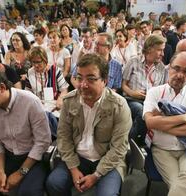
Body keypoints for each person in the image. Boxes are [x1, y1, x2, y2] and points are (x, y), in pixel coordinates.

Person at [46, 53, 132, 196]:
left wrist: (96, 175)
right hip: (77, 156)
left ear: (105, 80)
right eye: (79, 78)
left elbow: (119, 148)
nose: (83, 85)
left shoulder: (119, 106)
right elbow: (63, 137)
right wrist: (73, 168)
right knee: (54, 184)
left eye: (91, 79)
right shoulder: (69, 101)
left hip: (107, 159)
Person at [0, 63, 52, 196]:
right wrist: (0, 172)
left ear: (2, 87)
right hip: (8, 156)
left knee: (28, 193)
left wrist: (20, 173)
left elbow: (42, 142)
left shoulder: (30, 102)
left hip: (33, 158)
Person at [143, 51, 186, 196]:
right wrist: (185, 118)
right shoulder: (154, 92)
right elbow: (150, 123)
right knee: (183, 185)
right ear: (168, 68)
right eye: (176, 68)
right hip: (162, 150)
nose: (179, 75)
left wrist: (163, 124)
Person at [122, 35, 167, 145]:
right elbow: (123, 85)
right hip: (131, 99)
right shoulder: (134, 61)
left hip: (150, 102)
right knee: (141, 111)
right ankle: (129, 144)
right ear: (150, 48)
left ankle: (146, 144)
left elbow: (162, 91)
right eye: (160, 50)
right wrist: (133, 93)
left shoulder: (162, 68)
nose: (162, 54)